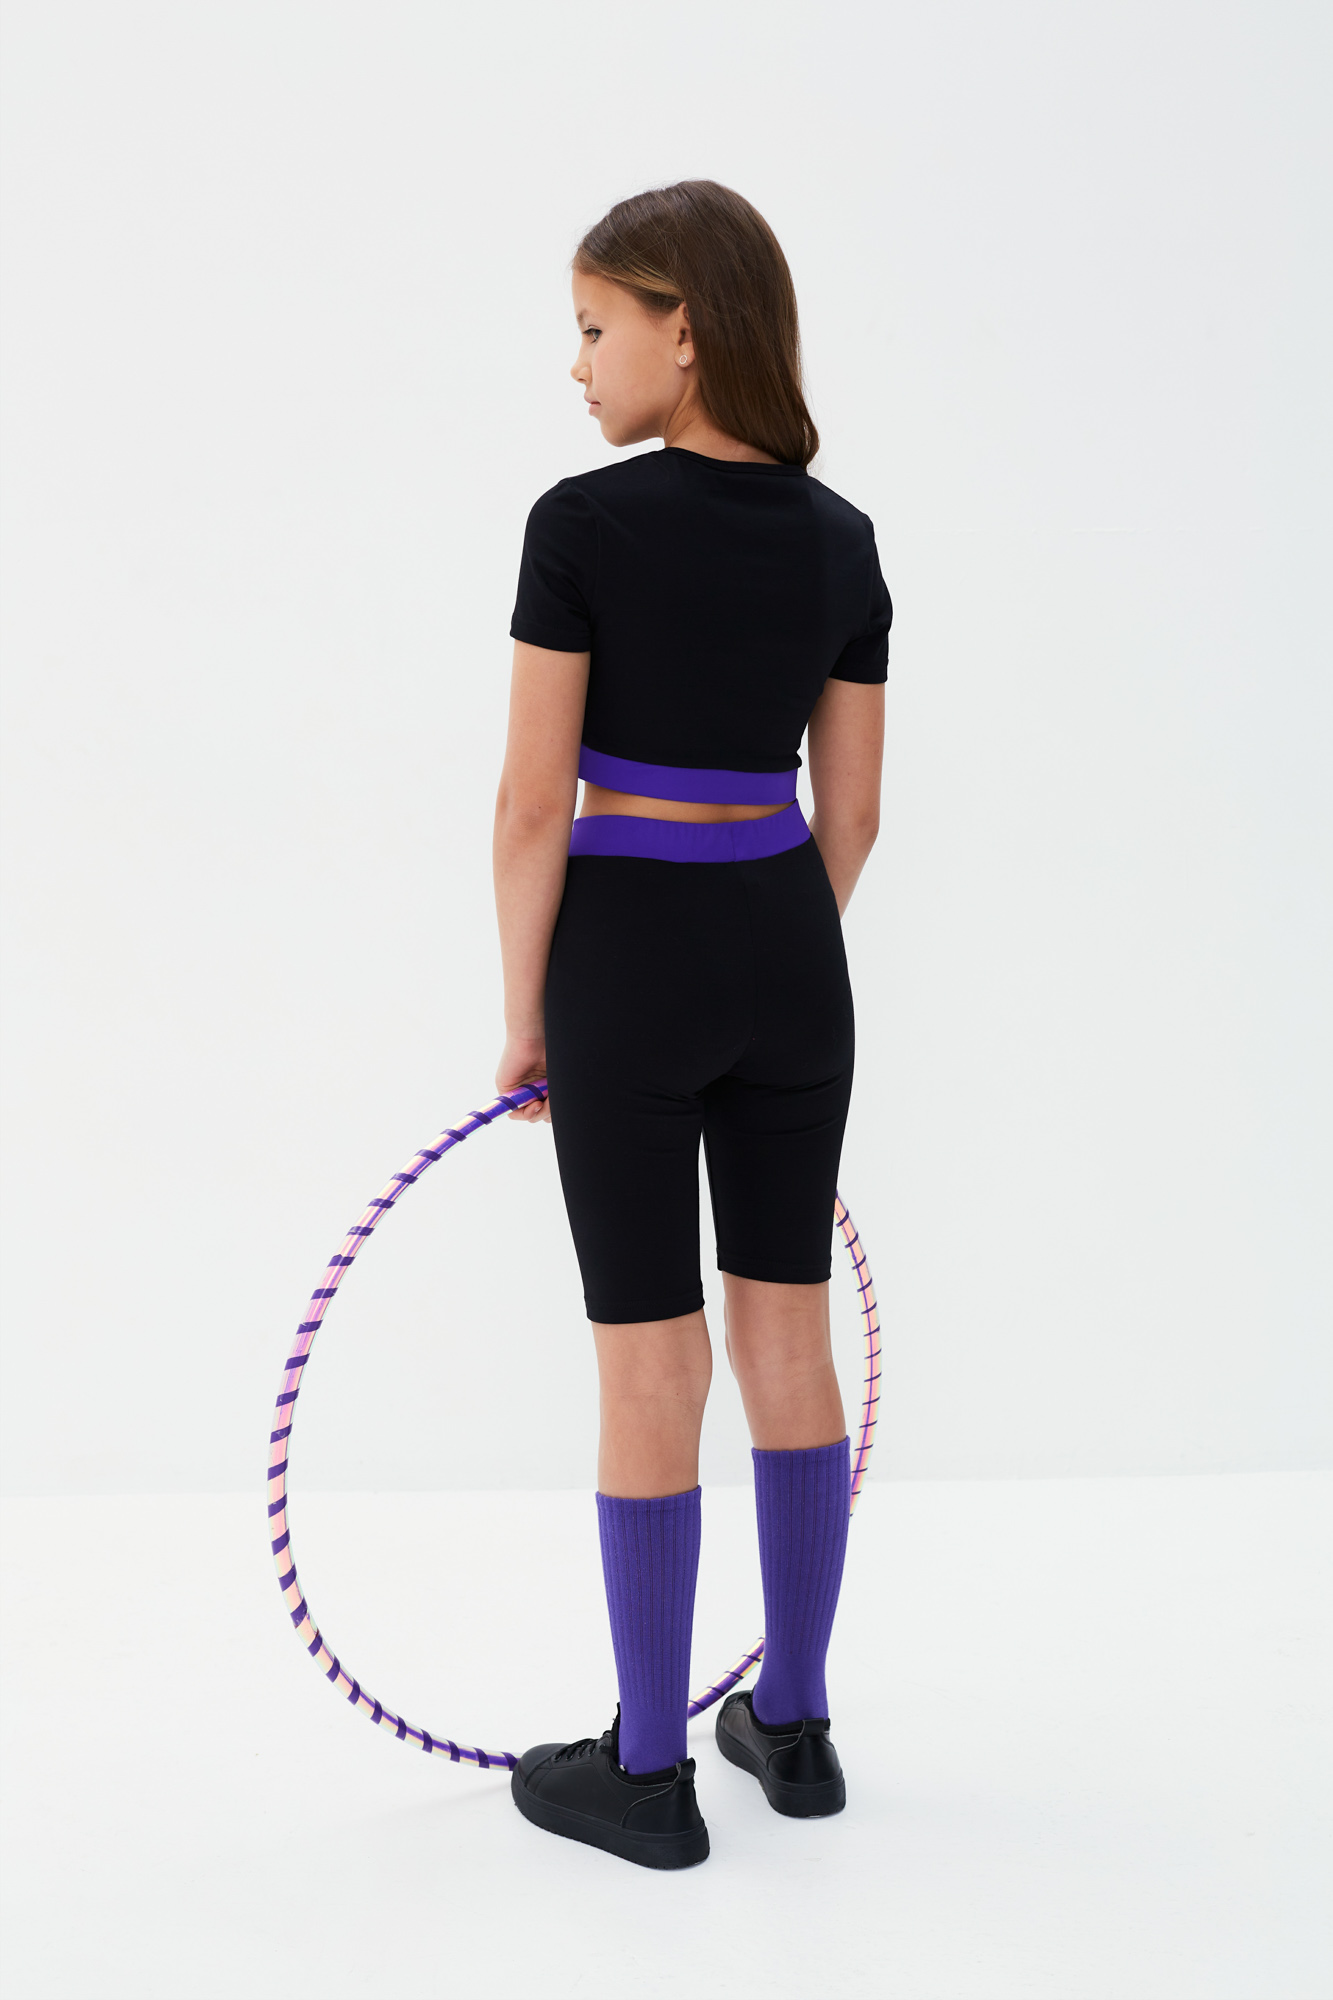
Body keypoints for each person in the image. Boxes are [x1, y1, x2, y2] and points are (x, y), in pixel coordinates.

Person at [491, 180, 890, 1869]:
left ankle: (648, 1773)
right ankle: (790, 1724)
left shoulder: (581, 527)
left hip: (628, 965)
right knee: (786, 1339)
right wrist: (765, 954)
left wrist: (528, 1018)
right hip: (790, 953)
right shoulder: (842, 539)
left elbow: (532, 805)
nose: (578, 364)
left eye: (596, 327)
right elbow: (851, 814)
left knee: (650, 1359)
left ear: (686, 329)